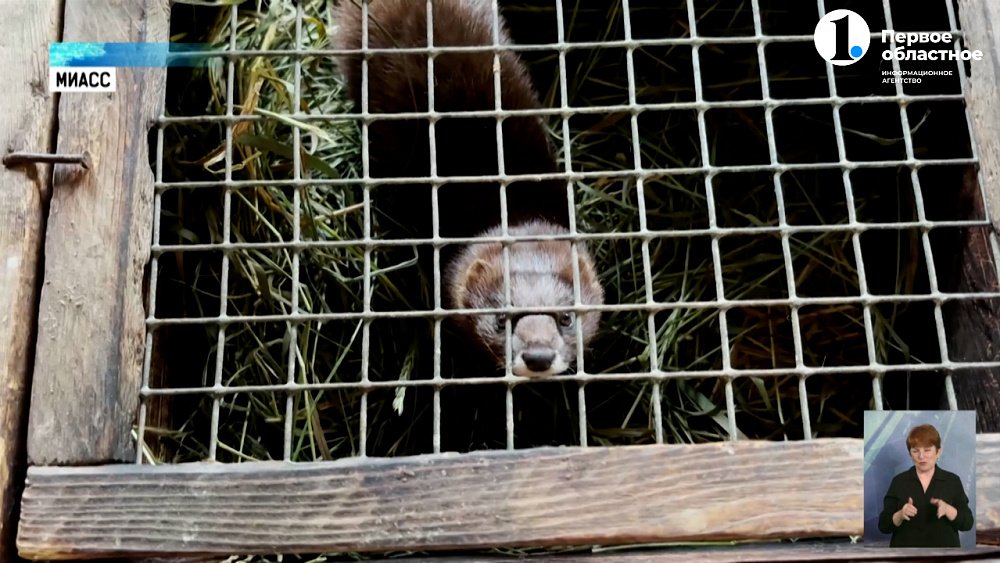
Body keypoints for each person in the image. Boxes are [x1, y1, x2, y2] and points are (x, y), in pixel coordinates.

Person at [877, 423, 974, 547]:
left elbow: (967, 524)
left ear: (938, 452)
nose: (921, 456)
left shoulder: (952, 481)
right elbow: (883, 526)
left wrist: (947, 509)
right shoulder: (899, 481)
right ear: (910, 454)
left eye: (927, 450)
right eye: (915, 451)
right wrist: (900, 514)